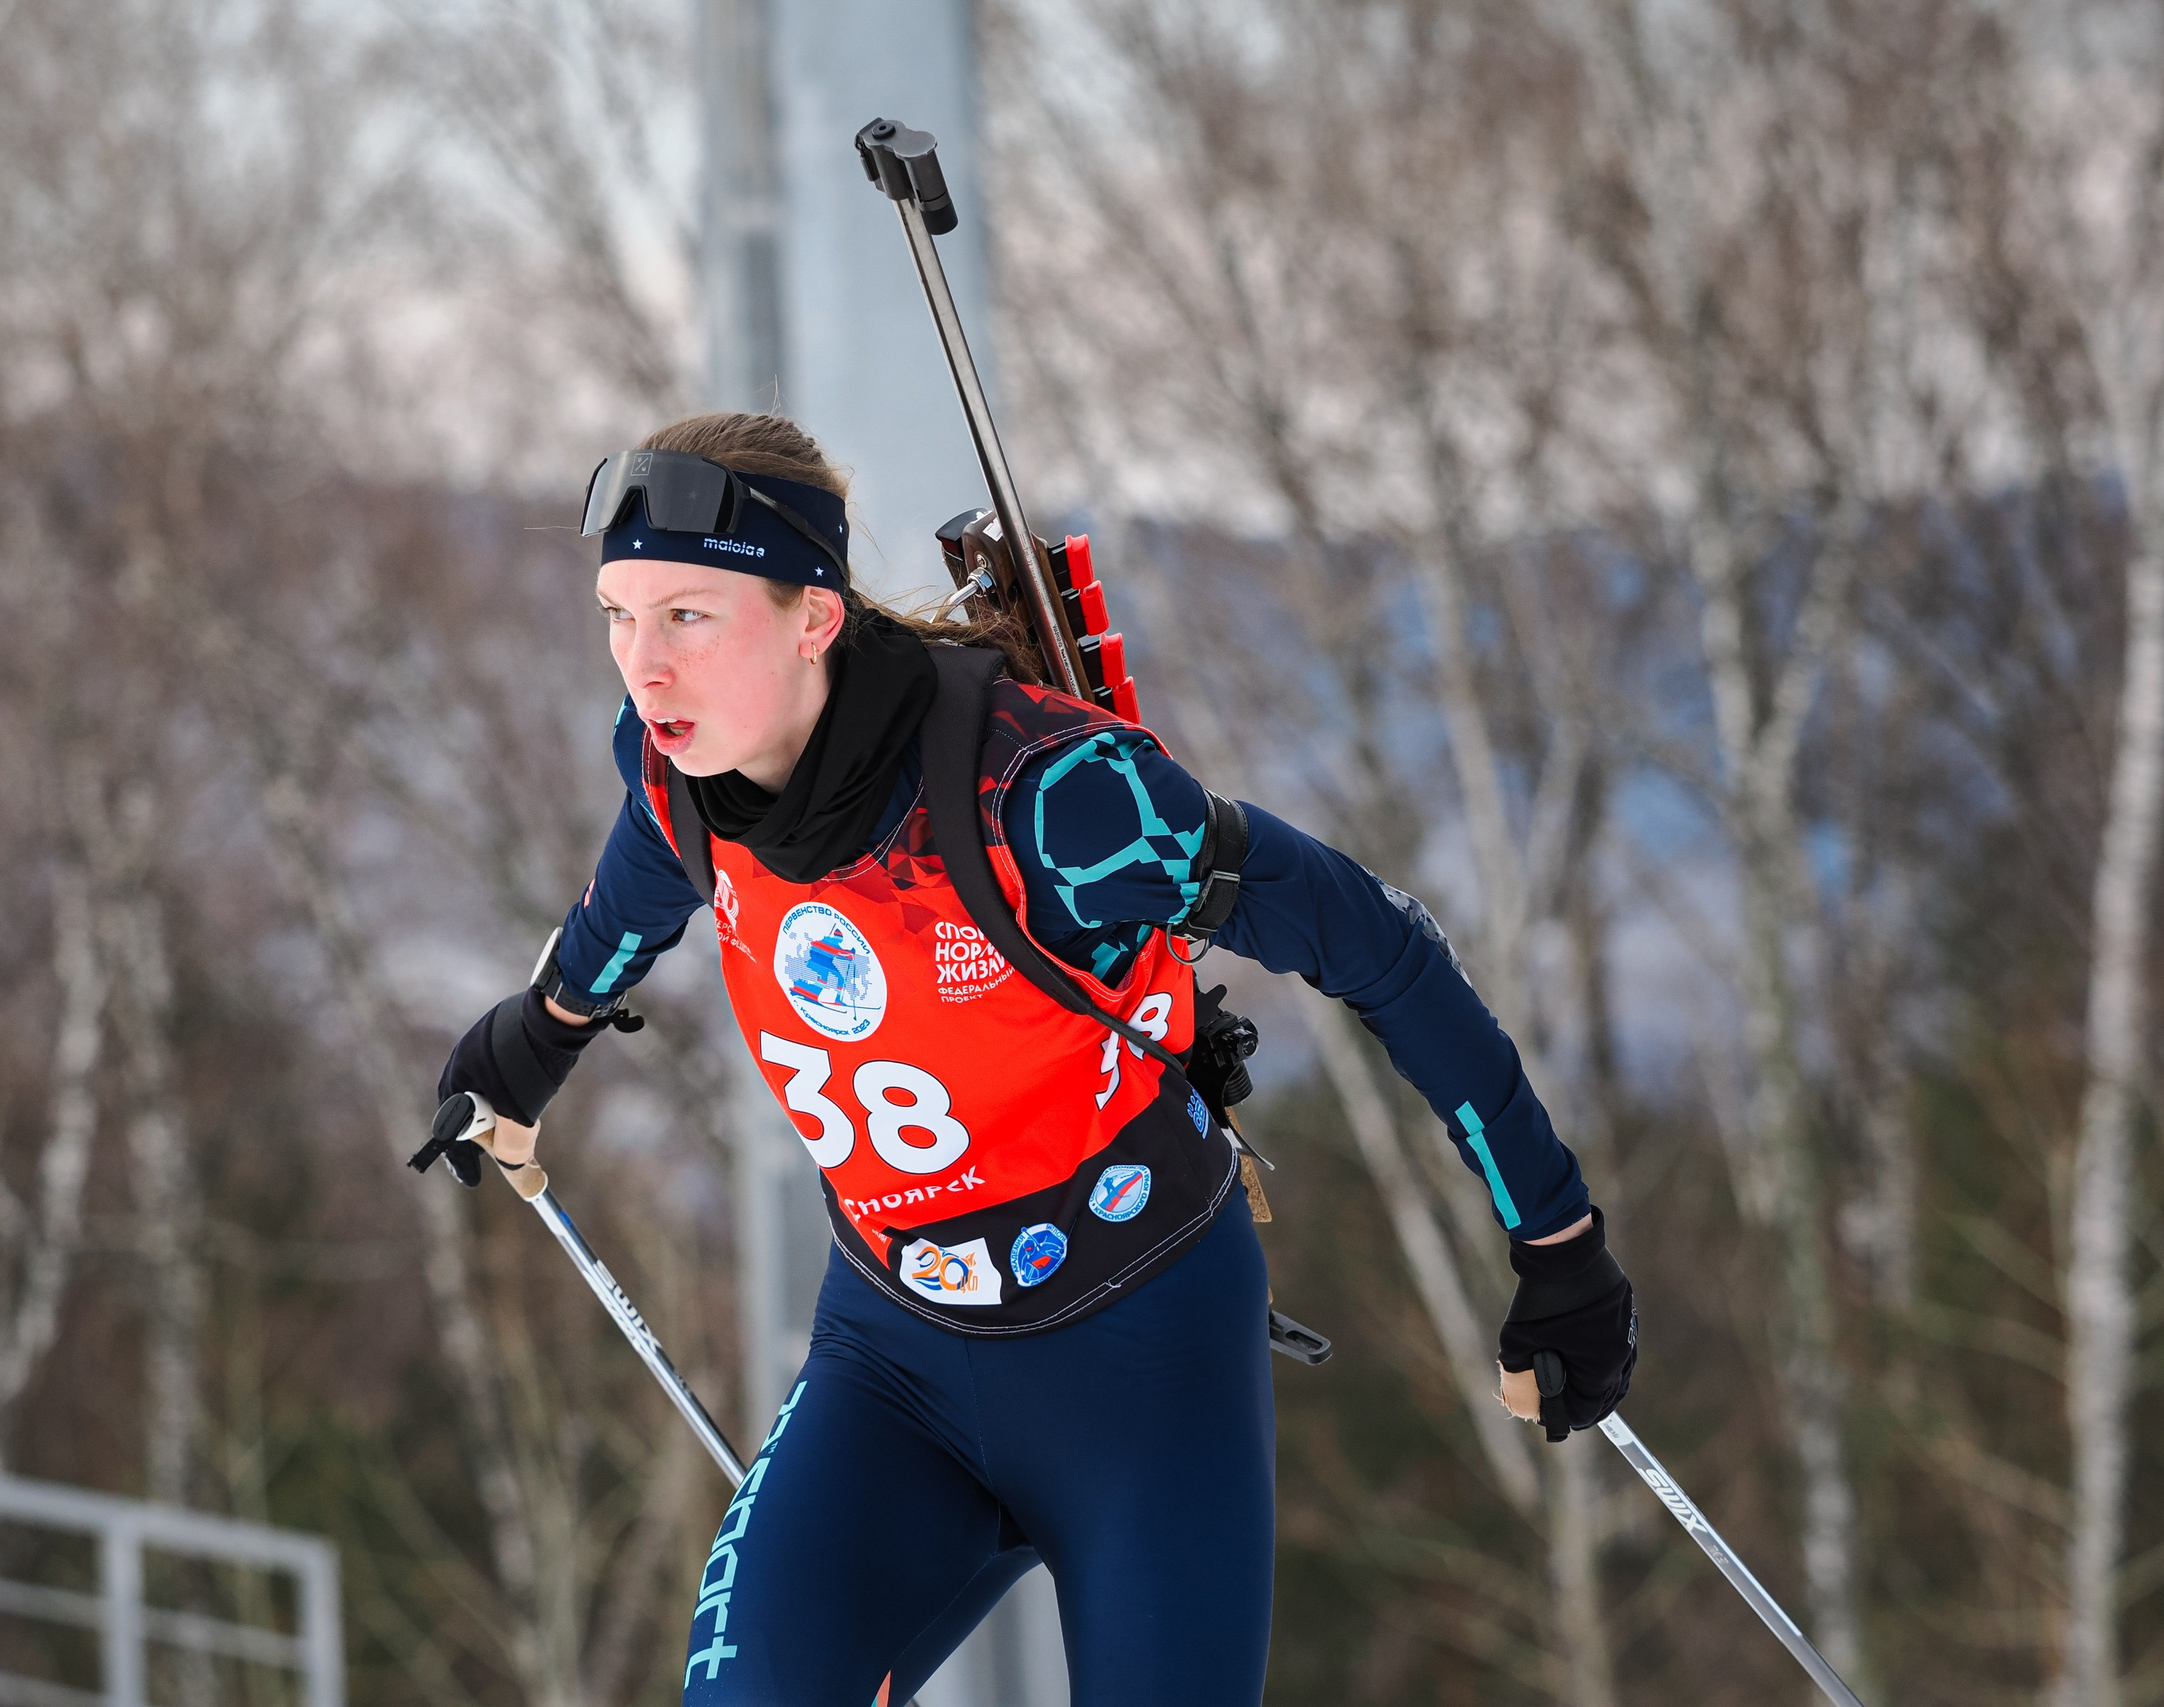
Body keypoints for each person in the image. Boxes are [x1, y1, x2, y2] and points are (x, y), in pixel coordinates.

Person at [437, 412, 1638, 1706]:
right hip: (894, 1360)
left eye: (688, 616)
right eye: (620, 615)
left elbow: (1373, 941)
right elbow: (637, 887)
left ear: (813, 616)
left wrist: (1557, 1243)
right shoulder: (682, 778)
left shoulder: (1050, 801)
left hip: (1142, 1364)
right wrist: (536, 1036)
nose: (643, 669)